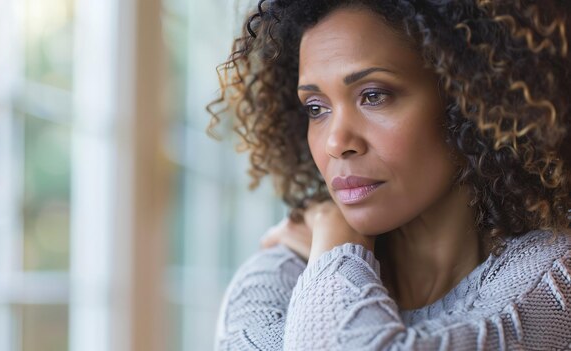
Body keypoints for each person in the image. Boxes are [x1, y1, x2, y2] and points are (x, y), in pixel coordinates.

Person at [207, 0, 571, 349]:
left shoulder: (554, 279)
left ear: (468, 100)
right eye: (316, 108)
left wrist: (337, 231)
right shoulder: (278, 275)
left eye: (374, 95)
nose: (336, 142)